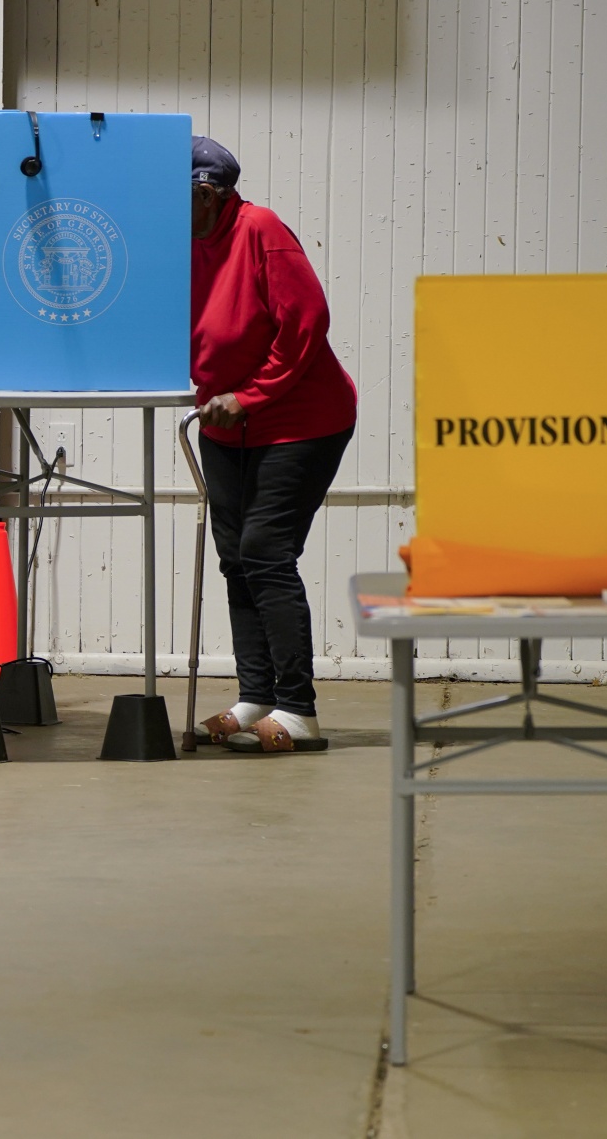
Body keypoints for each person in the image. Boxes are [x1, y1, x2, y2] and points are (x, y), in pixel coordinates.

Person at [187, 136, 356, 754]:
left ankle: (300, 710)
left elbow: (306, 321)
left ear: (208, 194)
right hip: (223, 422)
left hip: (301, 420)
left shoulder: (259, 229)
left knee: (265, 551)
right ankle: (257, 696)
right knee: (235, 554)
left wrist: (251, 397)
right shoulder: (182, 242)